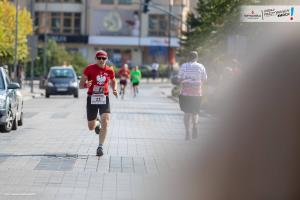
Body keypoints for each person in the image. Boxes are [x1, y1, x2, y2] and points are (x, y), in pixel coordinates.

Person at [79, 50, 118, 156]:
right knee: (91, 127)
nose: (101, 60)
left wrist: (114, 89)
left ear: (107, 59)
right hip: (92, 98)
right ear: (96, 59)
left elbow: (114, 81)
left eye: (103, 58)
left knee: (106, 120)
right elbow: (80, 85)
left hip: (104, 98)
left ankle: (100, 147)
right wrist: (87, 84)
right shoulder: (89, 69)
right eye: (99, 58)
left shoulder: (110, 70)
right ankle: (97, 123)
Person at [177, 51, 207, 140]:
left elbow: (179, 79)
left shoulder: (184, 66)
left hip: (185, 93)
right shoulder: (201, 66)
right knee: (195, 112)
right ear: (197, 58)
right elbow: (205, 79)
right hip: (197, 93)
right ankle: (195, 126)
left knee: (187, 113)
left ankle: (187, 132)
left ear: (188, 57)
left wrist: (186, 80)